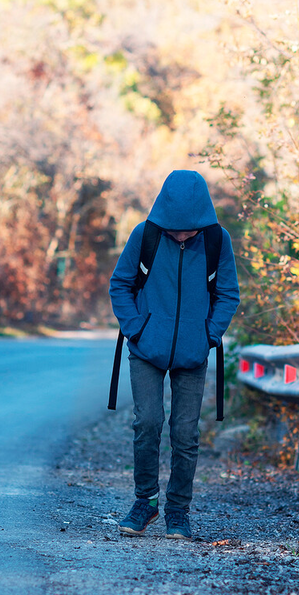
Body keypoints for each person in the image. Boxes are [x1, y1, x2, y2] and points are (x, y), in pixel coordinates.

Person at [109, 170, 240, 540]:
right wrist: (136, 328)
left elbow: (228, 293)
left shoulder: (217, 240)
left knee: (185, 433)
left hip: (193, 353)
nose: (181, 235)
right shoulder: (145, 235)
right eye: (175, 229)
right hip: (145, 348)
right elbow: (120, 284)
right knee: (147, 423)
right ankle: (145, 502)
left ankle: (178, 511)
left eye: (189, 229)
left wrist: (208, 336)